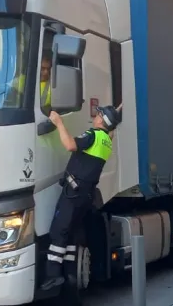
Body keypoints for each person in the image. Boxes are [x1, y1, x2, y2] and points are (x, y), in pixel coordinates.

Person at [41, 104, 122, 291]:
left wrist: (59, 123)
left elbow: (70, 145)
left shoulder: (93, 135)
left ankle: (53, 276)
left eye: (98, 114)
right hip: (86, 195)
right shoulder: (106, 141)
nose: (95, 116)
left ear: (101, 120)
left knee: (59, 230)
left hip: (73, 192)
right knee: (71, 234)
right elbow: (110, 133)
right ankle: (70, 275)